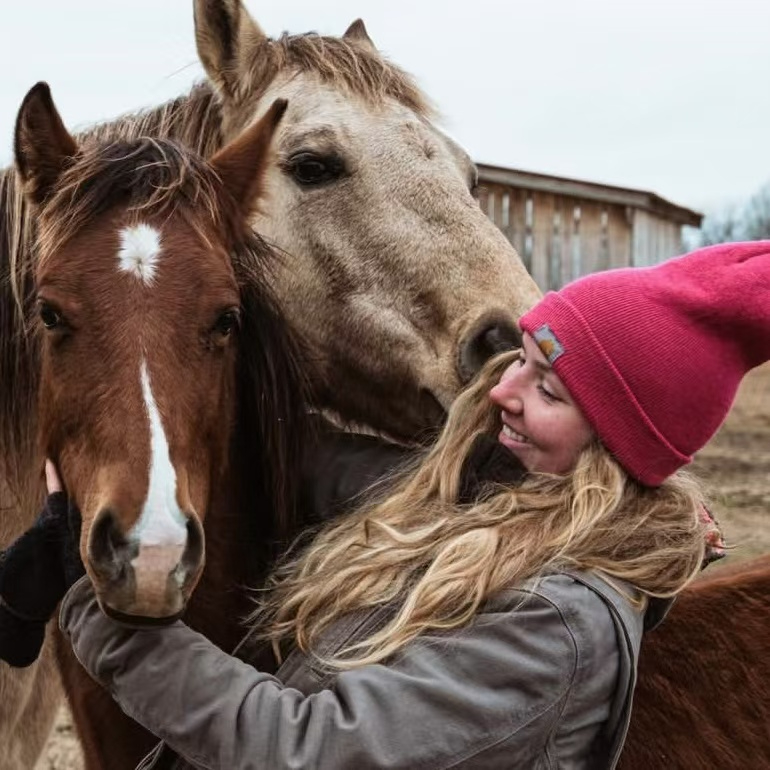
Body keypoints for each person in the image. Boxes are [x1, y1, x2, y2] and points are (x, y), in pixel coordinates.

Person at [1, 240, 765, 769]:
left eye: (548, 388)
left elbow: (302, 750)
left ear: (615, 445)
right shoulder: (496, 501)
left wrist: (91, 604)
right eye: (521, 361)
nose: (501, 389)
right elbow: (320, 463)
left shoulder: (560, 625)